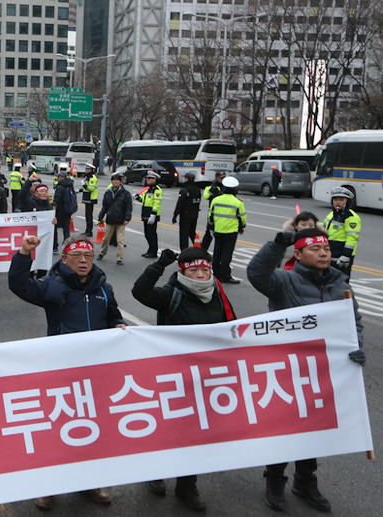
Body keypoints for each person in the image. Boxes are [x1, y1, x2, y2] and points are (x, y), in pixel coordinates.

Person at [247, 228, 365, 513]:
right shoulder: (284, 281)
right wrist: (276, 245)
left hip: (324, 372)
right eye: (315, 249)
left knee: (315, 428)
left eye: (325, 248)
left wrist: (356, 347)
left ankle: (305, 481)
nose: (324, 253)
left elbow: (353, 321)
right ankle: (274, 480)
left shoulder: (340, 283)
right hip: (288, 370)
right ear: (298, 255)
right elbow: (257, 274)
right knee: (285, 428)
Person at [8, 234, 126, 508]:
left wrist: (118, 325)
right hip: (62, 372)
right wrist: (24, 253)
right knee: (57, 430)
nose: (83, 261)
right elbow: (19, 285)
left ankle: (90, 483)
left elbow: (113, 316)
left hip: (96, 372)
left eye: (88, 256)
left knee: (93, 428)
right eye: (77, 256)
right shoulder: (54, 286)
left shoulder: (103, 288)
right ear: (65, 259)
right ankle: (48, 486)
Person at [131, 247, 237, 511]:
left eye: (205, 270)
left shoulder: (218, 294)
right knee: (166, 429)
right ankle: (154, 472)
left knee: (195, 433)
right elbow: (140, 292)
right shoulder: (171, 294)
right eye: (194, 270)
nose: (201, 275)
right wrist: (160, 264)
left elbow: (232, 329)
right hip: (172, 377)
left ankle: (187, 485)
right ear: (183, 272)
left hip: (206, 377)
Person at [207, 176, 246, 284]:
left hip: (218, 230)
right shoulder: (238, 202)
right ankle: (225, 275)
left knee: (217, 252)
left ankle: (215, 273)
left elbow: (210, 215)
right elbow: (242, 217)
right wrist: (241, 227)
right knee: (227, 254)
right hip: (231, 231)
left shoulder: (216, 200)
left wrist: (211, 227)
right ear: (234, 189)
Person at [322, 186, 360, 278]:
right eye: (335, 199)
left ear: (347, 201)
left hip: (342, 254)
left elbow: (352, 237)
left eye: (341, 199)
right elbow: (325, 227)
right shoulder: (332, 214)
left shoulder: (351, 217)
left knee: (341, 282)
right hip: (330, 250)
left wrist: (346, 255)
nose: (337, 202)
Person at [96, 173, 132, 266]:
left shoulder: (125, 193)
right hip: (111, 219)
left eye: (117, 180)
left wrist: (127, 218)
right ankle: (102, 253)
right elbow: (105, 207)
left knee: (120, 241)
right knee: (106, 239)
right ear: (111, 181)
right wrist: (101, 216)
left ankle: (119, 258)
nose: (115, 182)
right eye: (113, 180)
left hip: (121, 220)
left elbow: (128, 207)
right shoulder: (108, 193)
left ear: (120, 182)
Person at [136, 171, 162, 258]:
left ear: (154, 179)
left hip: (152, 215)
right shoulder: (148, 189)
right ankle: (150, 249)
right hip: (146, 213)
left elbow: (156, 203)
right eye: (147, 178)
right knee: (147, 234)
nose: (147, 180)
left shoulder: (157, 190)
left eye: (150, 178)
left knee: (152, 234)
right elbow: (145, 201)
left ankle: (153, 251)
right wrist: (137, 198)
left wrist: (153, 215)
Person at [173, 172, 201, 249]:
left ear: (186, 179)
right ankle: (200, 249)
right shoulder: (197, 190)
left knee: (184, 234)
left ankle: (184, 252)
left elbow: (180, 204)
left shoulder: (184, 190)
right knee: (192, 233)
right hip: (195, 214)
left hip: (185, 215)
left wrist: (175, 215)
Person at [52, 166, 77, 252]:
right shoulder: (70, 185)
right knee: (66, 229)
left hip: (60, 211)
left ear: (62, 177)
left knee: (54, 228)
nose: (57, 178)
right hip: (68, 210)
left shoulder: (60, 187)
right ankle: (67, 246)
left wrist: (53, 210)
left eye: (58, 177)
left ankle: (55, 247)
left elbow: (56, 199)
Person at [201, 170, 227, 250]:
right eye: (221, 178)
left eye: (223, 178)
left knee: (221, 235)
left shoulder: (226, 187)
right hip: (213, 213)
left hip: (223, 214)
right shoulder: (211, 187)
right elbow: (205, 196)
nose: (222, 180)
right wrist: (212, 189)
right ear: (216, 178)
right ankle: (202, 250)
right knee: (209, 233)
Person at [80, 164, 99, 238]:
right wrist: (80, 190)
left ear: (90, 170)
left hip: (91, 198)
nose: (86, 170)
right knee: (87, 215)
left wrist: (83, 185)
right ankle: (87, 230)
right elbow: (86, 188)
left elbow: (91, 188)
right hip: (87, 198)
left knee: (89, 216)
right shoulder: (88, 177)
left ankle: (89, 231)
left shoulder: (92, 178)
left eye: (87, 169)